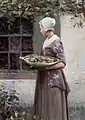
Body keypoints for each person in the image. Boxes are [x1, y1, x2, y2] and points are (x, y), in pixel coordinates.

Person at [33, 17, 70, 120]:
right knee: (45, 105)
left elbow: (62, 63)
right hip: (45, 78)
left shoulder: (56, 41)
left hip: (54, 80)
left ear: (46, 28)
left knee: (54, 106)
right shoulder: (47, 40)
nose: (40, 30)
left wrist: (45, 67)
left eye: (41, 27)